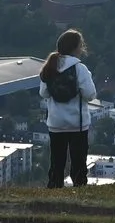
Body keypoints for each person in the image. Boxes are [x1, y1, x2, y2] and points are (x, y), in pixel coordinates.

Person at [38, 29, 99, 190]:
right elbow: (90, 94)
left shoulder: (50, 67)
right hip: (77, 124)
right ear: (75, 48)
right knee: (78, 160)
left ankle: (54, 186)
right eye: (80, 45)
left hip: (56, 123)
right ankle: (79, 187)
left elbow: (43, 92)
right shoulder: (80, 69)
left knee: (57, 160)